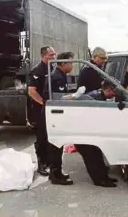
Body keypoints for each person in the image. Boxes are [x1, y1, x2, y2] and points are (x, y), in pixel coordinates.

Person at [75, 80, 119, 187]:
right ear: (108, 90)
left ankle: (104, 177)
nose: (114, 95)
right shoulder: (95, 98)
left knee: (97, 156)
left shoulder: (99, 96)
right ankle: (99, 180)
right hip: (82, 134)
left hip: (88, 132)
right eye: (114, 92)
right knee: (92, 157)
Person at [45, 51, 75, 185]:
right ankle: (55, 174)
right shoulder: (57, 77)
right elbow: (59, 98)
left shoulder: (60, 75)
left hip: (55, 113)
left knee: (58, 144)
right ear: (63, 64)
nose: (72, 65)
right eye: (70, 62)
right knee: (55, 145)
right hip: (54, 114)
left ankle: (56, 172)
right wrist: (74, 96)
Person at [27, 46, 56, 176]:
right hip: (39, 109)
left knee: (50, 136)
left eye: (54, 54)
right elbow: (31, 91)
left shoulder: (51, 68)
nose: (53, 57)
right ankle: (41, 164)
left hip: (49, 109)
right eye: (51, 55)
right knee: (42, 136)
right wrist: (43, 104)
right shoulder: (37, 71)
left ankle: (49, 161)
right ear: (44, 56)